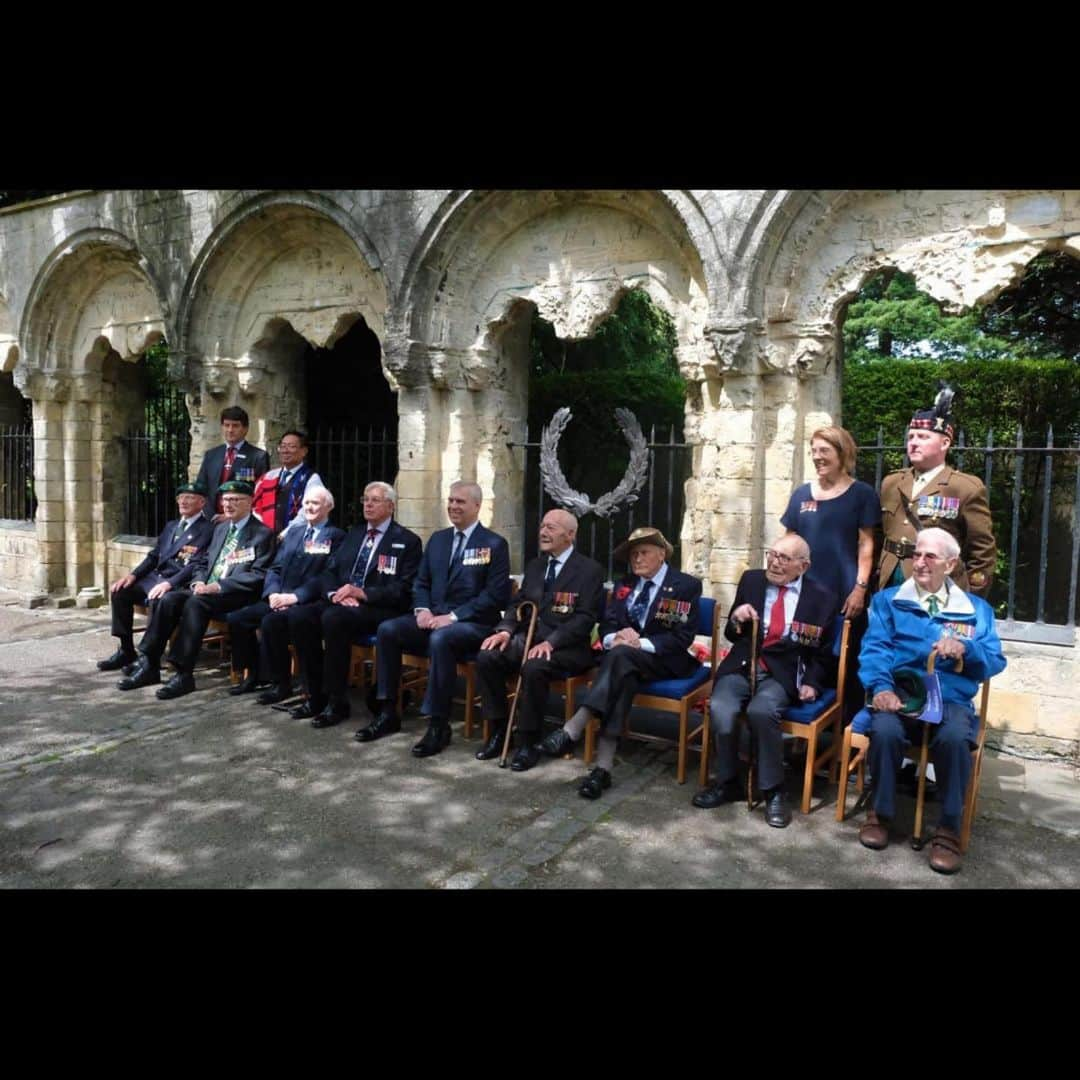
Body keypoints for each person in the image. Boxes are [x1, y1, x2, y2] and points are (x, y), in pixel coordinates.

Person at [857, 527, 1006, 874]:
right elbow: (875, 651)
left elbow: (995, 661)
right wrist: (881, 688)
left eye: (930, 556)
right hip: (901, 694)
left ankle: (948, 829)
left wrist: (967, 649)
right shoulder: (888, 601)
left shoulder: (975, 610)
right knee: (884, 729)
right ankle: (880, 813)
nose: (919, 562)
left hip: (950, 698)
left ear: (951, 564)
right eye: (916, 554)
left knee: (956, 738)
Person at [537, 527, 701, 799]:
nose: (637, 559)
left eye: (643, 552)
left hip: (663, 660)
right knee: (623, 672)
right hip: (624, 661)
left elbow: (681, 637)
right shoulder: (625, 584)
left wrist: (639, 643)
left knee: (621, 659)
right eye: (633, 554)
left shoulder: (685, 585)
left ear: (661, 554)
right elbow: (607, 625)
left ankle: (576, 724)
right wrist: (616, 637)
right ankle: (602, 771)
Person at [691, 533, 838, 828]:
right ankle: (727, 780)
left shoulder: (822, 597)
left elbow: (822, 653)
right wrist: (736, 618)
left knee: (762, 711)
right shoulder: (752, 580)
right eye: (772, 554)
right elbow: (733, 635)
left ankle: (773, 791)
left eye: (784, 558)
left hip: (784, 670)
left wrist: (813, 682)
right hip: (744, 664)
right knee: (721, 707)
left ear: (803, 566)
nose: (774, 562)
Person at [363, 481, 511, 757]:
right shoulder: (438, 540)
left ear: (477, 506)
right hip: (433, 618)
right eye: (451, 500)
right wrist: (423, 610)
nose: (453, 506)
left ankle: (437, 724)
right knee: (388, 630)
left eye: (461, 502)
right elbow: (421, 583)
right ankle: (387, 710)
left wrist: (453, 617)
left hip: (474, 624)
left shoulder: (494, 544)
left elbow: (495, 596)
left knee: (442, 638)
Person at [117, 480, 275, 699]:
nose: (228, 504)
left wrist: (217, 586)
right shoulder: (221, 529)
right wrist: (198, 583)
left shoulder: (262, 534)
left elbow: (257, 575)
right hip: (205, 590)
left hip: (234, 594)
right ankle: (149, 662)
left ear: (249, 502)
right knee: (169, 599)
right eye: (225, 500)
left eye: (235, 500)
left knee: (195, 603)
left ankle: (184, 674)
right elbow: (202, 562)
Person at [474, 509, 605, 771]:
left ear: (570, 535)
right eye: (543, 526)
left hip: (568, 648)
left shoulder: (590, 570)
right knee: (487, 655)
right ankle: (501, 730)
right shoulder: (536, 566)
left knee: (534, 666)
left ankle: (528, 740)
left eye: (552, 528)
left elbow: (585, 618)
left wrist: (552, 642)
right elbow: (518, 604)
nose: (543, 532)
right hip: (529, 639)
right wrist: (505, 630)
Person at [290, 481, 422, 723]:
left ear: (391, 507)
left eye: (375, 500)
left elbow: (403, 590)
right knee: (300, 617)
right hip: (342, 602)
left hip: (380, 609)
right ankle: (314, 694)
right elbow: (329, 572)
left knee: (333, 619)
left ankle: (336, 701)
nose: (368, 504)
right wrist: (333, 594)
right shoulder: (355, 534)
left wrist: (363, 593)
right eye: (365, 499)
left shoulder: (407, 540)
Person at [782, 424, 880, 721]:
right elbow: (789, 542)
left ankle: (843, 740)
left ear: (842, 453)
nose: (817, 456)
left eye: (824, 450)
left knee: (845, 664)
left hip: (844, 595)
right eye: (813, 451)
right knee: (801, 656)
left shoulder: (862, 494)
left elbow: (866, 544)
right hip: (804, 595)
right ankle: (797, 735)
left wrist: (860, 588)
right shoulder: (801, 494)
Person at [224, 486, 344, 699]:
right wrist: (272, 593)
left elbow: (328, 575)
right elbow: (275, 567)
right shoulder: (295, 533)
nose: (309, 507)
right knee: (238, 619)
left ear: (328, 507)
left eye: (315, 503)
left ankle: (286, 685)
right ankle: (254, 675)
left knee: (273, 623)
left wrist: (296, 597)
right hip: (279, 597)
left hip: (308, 602)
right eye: (306, 503)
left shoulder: (336, 536)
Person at [878, 385, 996, 597]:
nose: (913, 443)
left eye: (923, 437)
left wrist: (970, 599)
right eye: (911, 437)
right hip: (889, 582)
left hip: (937, 587)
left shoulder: (965, 488)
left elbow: (982, 552)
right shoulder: (892, 482)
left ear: (945, 443)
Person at [96, 482, 214, 672]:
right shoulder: (172, 526)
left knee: (158, 600)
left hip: (178, 581)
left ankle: (149, 657)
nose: (183, 501)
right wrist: (133, 576)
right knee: (120, 592)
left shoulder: (208, 529)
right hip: (156, 577)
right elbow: (154, 556)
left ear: (202, 502)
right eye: (180, 497)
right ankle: (126, 650)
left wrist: (169, 583)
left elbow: (196, 564)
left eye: (189, 497)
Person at [195, 406, 271, 523]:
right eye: (226, 425)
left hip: (241, 521)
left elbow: (259, 494)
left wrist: (231, 516)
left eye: (235, 426)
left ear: (245, 429)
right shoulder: (211, 455)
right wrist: (212, 516)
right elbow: (201, 489)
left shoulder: (258, 456)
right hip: (210, 521)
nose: (230, 430)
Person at [250, 430, 323, 537]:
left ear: (304, 451)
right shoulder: (269, 476)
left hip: (295, 538)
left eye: (291, 446)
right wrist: (262, 530)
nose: (285, 451)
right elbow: (255, 505)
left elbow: (309, 510)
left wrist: (286, 534)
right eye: (282, 446)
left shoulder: (311, 479)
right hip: (265, 537)